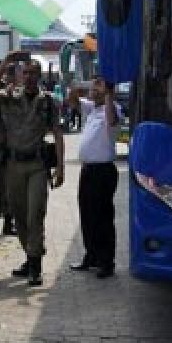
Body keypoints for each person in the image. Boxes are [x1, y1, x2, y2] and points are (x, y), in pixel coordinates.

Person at [0, 53, 66, 287]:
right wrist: (5, 62)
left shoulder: (49, 101)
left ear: (40, 77)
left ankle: (35, 266)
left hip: (37, 166)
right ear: (21, 75)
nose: (30, 77)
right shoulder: (10, 97)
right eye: (26, 73)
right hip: (13, 165)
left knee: (35, 215)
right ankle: (29, 255)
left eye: (34, 73)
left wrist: (61, 167)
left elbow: (58, 134)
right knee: (19, 216)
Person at [68, 78, 122, 279]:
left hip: (103, 171)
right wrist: (79, 85)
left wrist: (108, 93)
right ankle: (91, 255)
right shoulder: (91, 108)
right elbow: (71, 100)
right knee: (87, 215)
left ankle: (106, 262)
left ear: (107, 90)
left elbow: (112, 121)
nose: (92, 88)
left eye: (97, 85)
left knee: (103, 218)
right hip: (88, 170)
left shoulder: (112, 108)